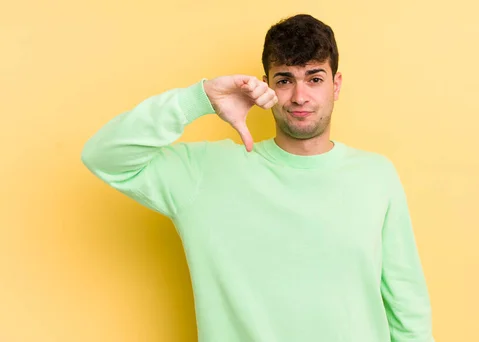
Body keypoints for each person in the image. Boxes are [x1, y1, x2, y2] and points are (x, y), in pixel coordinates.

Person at [81, 13, 435, 342]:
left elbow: (407, 305)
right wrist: (198, 99)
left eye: (314, 78)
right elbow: (104, 156)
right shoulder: (205, 172)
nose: (299, 96)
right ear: (265, 86)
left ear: (336, 85)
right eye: (285, 80)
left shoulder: (375, 175)